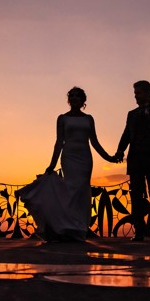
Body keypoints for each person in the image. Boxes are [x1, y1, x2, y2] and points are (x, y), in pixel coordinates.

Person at [19, 87, 115, 241]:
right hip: (69, 158)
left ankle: (80, 228)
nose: (75, 98)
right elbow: (59, 142)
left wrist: (108, 158)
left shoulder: (89, 118)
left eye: (78, 96)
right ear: (69, 100)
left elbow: (94, 142)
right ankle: (66, 227)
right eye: (72, 96)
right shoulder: (62, 118)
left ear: (83, 100)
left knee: (82, 192)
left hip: (85, 158)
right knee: (70, 190)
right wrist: (52, 164)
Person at [113, 80, 150, 241]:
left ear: (148, 93)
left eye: (138, 93)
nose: (136, 97)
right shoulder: (132, 114)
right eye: (135, 93)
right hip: (136, 160)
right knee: (136, 195)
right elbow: (126, 134)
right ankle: (139, 231)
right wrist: (120, 150)